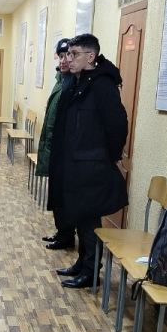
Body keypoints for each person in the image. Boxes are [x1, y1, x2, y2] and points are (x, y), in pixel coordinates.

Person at [49, 34, 128, 289]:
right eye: (67, 54)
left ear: (90, 57)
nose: (69, 59)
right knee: (80, 217)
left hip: (92, 166)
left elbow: (117, 125)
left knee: (89, 220)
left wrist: (108, 157)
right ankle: (82, 263)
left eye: (74, 54)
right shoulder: (77, 82)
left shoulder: (103, 85)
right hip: (75, 164)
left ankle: (91, 271)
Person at [38, 37, 76, 250]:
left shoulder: (72, 83)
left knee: (63, 197)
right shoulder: (61, 80)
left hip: (64, 151)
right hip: (54, 147)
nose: (63, 61)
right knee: (56, 195)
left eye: (67, 56)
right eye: (60, 56)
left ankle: (66, 236)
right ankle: (62, 232)